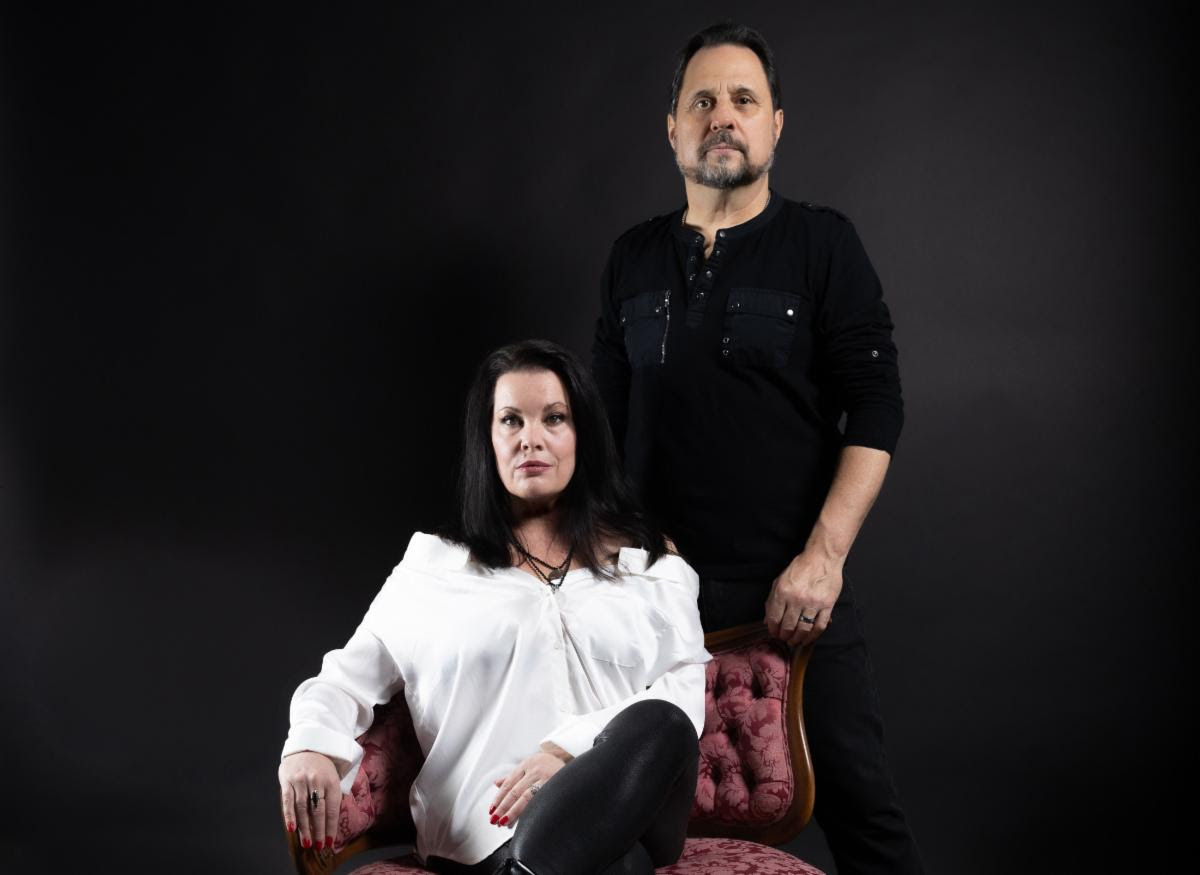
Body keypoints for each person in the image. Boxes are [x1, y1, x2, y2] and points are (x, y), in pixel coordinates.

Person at [590, 22, 925, 875]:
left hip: (792, 597)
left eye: (744, 99)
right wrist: (609, 541)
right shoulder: (632, 258)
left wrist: (824, 558)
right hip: (651, 599)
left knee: (868, 821)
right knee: (615, 824)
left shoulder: (823, 245)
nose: (723, 116)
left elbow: (877, 406)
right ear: (673, 127)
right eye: (702, 101)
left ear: (776, 123)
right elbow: (599, 432)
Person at [278, 340, 710, 875]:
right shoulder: (434, 569)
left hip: (634, 805)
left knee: (663, 721)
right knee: (620, 867)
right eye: (511, 421)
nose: (532, 438)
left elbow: (683, 696)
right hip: (491, 826)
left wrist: (567, 755)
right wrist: (310, 746)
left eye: (554, 418)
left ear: (583, 435)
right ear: (488, 440)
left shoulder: (649, 565)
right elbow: (343, 682)